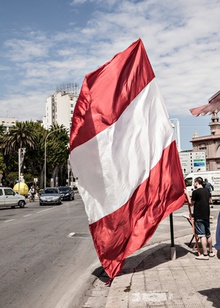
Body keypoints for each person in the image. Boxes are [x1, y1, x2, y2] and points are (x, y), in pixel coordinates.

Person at [184, 176, 215, 260]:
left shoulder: (195, 192)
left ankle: (205, 254)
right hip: (206, 215)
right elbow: (210, 201)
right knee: (208, 234)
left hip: (199, 216)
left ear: (197, 183)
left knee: (202, 235)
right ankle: (211, 252)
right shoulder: (207, 190)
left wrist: (187, 194)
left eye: (194, 182)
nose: (194, 184)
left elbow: (191, 203)